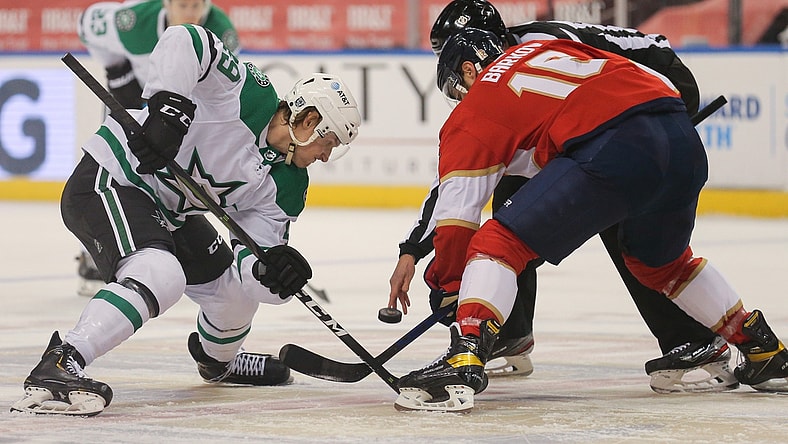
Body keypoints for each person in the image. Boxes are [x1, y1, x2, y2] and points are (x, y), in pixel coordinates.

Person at [392, 28, 788, 413]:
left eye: (456, 89)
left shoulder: (477, 105)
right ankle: (761, 346)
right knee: (661, 264)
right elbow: (648, 76)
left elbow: (457, 220)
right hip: (679, 134)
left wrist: (449, 284)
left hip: (613, 146)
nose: (459, 99)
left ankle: (465, 357)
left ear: (468, 70)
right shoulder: (548, 49)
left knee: (497, 243)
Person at [10, 23, 361, 416]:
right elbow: (185, 38)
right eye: (329, 142)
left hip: (171, 212)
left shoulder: (290, 184)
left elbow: (251, 267)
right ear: (309, 120)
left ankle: (219, 363)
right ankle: (61, 362)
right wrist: (169, 108)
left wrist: (271, 272)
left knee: (234, 297)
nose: (327, 155)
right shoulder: (248, 95)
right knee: (161, 273)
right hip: (115, 177)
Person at [74, 0, 239, 297]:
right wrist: (116, 70)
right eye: (183, 5)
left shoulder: (221, 32)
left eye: (197, 5)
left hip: (178, 110)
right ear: (166, 3)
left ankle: (163, 234)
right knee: (112, 171)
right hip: (133, 102)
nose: (190, 13)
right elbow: (86, 23)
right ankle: (94, 251)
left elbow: (221, 92)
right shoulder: (134, 21)